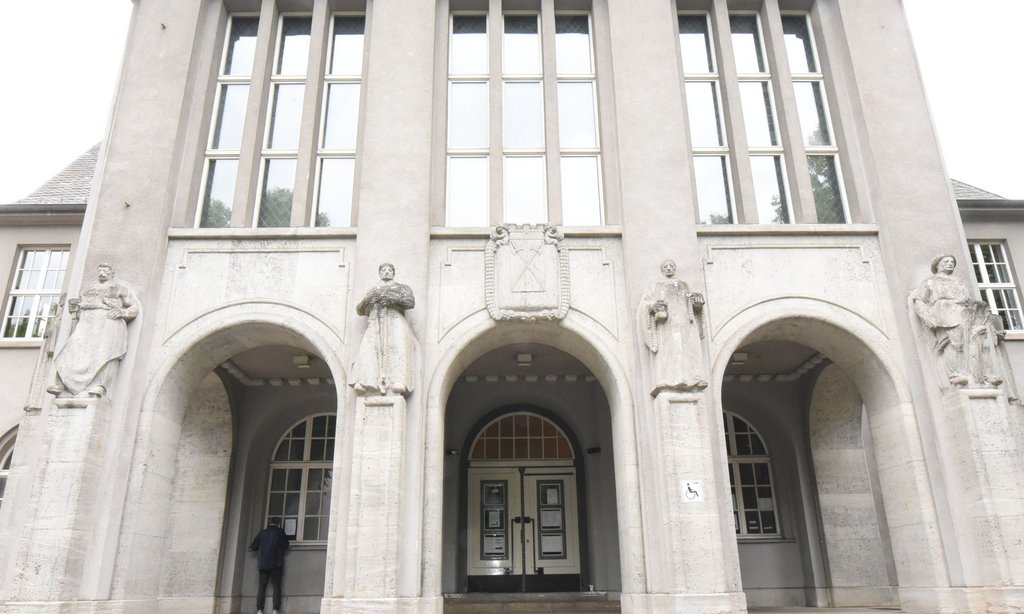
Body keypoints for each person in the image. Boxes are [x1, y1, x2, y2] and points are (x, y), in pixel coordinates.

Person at [47, 263, 139, 398]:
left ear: (112, 273)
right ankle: (62, 383)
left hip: (108, 323)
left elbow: (134, 308)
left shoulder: (119, 289)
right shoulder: (88, 289)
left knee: (104, 354)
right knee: (71, 350)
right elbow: (78, 310)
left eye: (105, 270)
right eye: (99, 269)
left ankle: (99, 385)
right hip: (86, 325)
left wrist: (122, 312)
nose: (102, 272)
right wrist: (75, 308)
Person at [913, 254, 1004, 388]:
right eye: (946, 261)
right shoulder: (930, 282)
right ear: (937, 265)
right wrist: (927, 318)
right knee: (956, 344)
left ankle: (985, 374)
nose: (950, 263)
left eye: (952, 262)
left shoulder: (959, 281)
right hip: (945, 315)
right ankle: (956, 374)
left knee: (981, 343)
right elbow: (919, 301)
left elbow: (966, 298)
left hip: (964, 313)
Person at [638, 259, 708, 396]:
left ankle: (694, 377)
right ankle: (672, 379)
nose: (669, 268)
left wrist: (697, 303)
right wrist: (654, 307)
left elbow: (694, 306)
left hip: (686, 323)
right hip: (667, 326)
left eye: (671, 266)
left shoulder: (684, 284)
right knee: (670, 351)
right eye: (666, 266)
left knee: (691, 349)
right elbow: (645, 304)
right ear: (662, 270)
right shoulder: (656, 286)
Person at [349, 262, 418, 396]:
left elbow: (410, 302)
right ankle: (366, 380)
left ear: (393, 273)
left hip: (394, 320)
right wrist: (367, 300)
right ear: (379, 273)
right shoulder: (372, 290)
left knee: (397, 349)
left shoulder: (401, 287)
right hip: (374, 322)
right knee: (368, 349)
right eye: (383, 270)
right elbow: (359, 310)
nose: (386, 271)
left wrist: (393, 300)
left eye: (389, 270)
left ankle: (398, 380)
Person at [249, 517, 290, 614]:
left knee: (262, 587)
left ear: (269, 523)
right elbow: (285, 545)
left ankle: (259, 609)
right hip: (277, 564)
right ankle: (275, 609)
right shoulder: (280, 532)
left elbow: (254, 546)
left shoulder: (262, 533)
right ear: (278, 524)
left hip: (263, 564)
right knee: (276, 587)